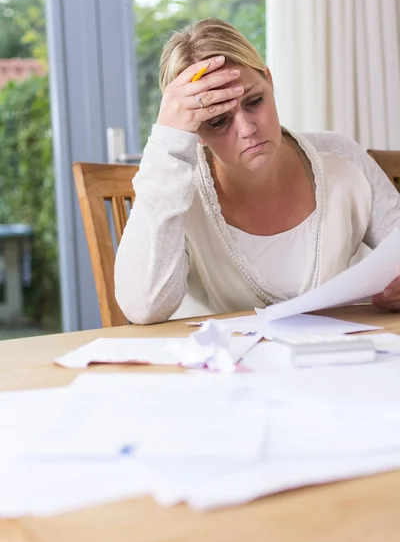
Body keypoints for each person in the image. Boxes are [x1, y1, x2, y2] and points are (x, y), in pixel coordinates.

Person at [115, 17, 400, 324]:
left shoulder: (340, 159)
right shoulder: (178, 187)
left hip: (329, 364)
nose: (247, 128)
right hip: (220, 368)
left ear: (270, 81)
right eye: (219, 120)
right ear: (195, 130)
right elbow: (144, 307)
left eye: (254, 101)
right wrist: (168, 141)